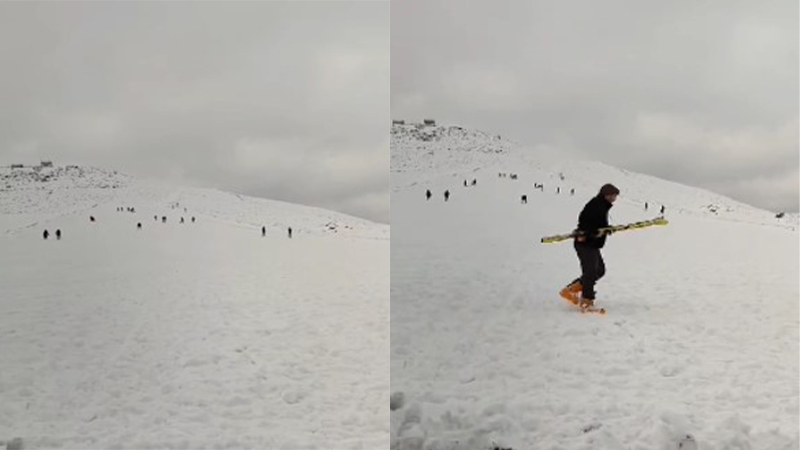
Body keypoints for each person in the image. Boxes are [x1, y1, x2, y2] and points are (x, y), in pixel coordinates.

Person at [560, 183, 620, 310]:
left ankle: (571, 290)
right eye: (614, 195)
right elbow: (584, 221)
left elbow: (597, 224)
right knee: (590, 273)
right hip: (585, 243)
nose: (615, 198)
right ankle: (587, 301)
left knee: (599, 271)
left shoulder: (602, 205)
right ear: (607, 195)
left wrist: (605, 229)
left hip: (592, 244)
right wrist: (593, 231)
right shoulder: (596, 205)